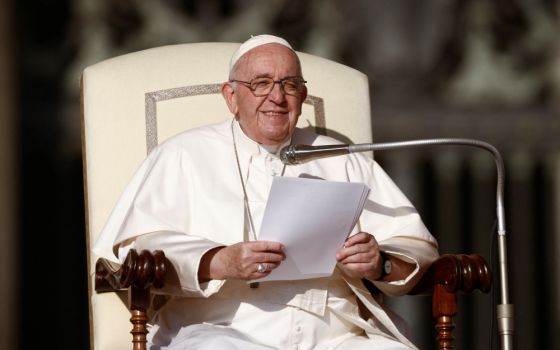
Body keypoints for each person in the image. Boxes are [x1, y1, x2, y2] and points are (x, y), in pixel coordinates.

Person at [93, 34, 439, 350]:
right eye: (260, 84)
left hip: (333, 334)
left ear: (302, 95)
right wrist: (219, 261)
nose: (277, 96)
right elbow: (132, 252)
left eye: (289, 84)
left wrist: (379, 262)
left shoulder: (339, 156)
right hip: (221, 328)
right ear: (231, 97)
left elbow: (413, 246)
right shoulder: (183, 154)